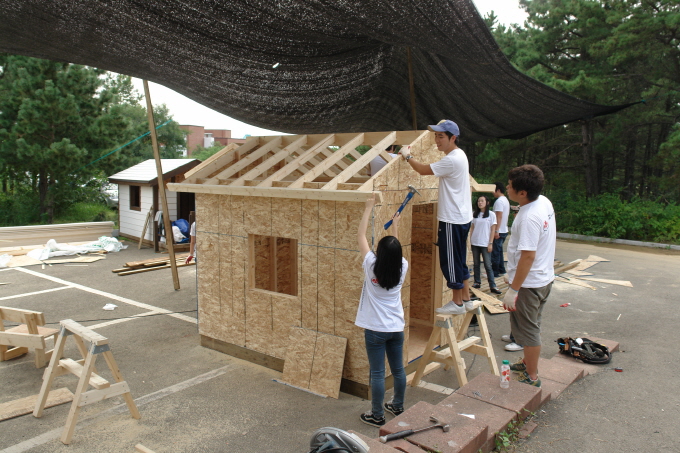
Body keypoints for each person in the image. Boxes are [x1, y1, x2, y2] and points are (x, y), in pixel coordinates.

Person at [398, 120, 473, 315]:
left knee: (450, 261)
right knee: (459, 259)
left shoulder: (452, 160)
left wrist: (407, 155)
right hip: (462, 217)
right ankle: (466, 298)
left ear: (453, 138)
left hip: (452, 219)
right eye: (435, 136)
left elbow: (423, 170)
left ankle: (457, 303)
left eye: (441, 136)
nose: (436, 140)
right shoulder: (460, 155)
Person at [356, 195, 409, 427]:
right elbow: (396, 255)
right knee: (398, 370)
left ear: (380, 253)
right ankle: (397, 405)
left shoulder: (371, 265)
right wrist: (396, 226)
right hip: (396, 328)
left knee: (377, 373)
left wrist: (368, 207)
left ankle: (377, 415)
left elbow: (360, 236)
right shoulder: (403, 266)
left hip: (375, 330)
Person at [502, 165, 556, 387]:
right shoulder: (543, 202)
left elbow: (527, 257)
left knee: (529, 330)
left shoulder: (528, 218)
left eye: (510, 186)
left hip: (529, 284)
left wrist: (514, 289)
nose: (507, 188)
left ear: (522, 192)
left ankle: (532, 376)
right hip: (543, 278)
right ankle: (527, 362)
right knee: (532, 324)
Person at [470, 195, 501, 295]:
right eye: (479, 201)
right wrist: (470, 240)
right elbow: (472, 228)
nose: (480, 203)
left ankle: (492, 285)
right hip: (475, 242)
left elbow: (493, 230)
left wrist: (490, 243)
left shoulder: (491, 214)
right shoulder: (474, 214)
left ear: (487, 203)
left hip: (485, 243)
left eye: (482, 201)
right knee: (476, 264)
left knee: (488, 265)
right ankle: (477, 282)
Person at [491, 182, 510, 278]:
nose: (492, 193)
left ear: (498, 190)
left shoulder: (499, 201)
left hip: (499, 231)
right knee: (499, 251)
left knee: (495, 253)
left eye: (493, 191)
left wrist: (496, 230)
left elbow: (499, 216)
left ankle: (495, 272)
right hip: (503, 230)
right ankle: (501, 270)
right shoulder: (505, 200)